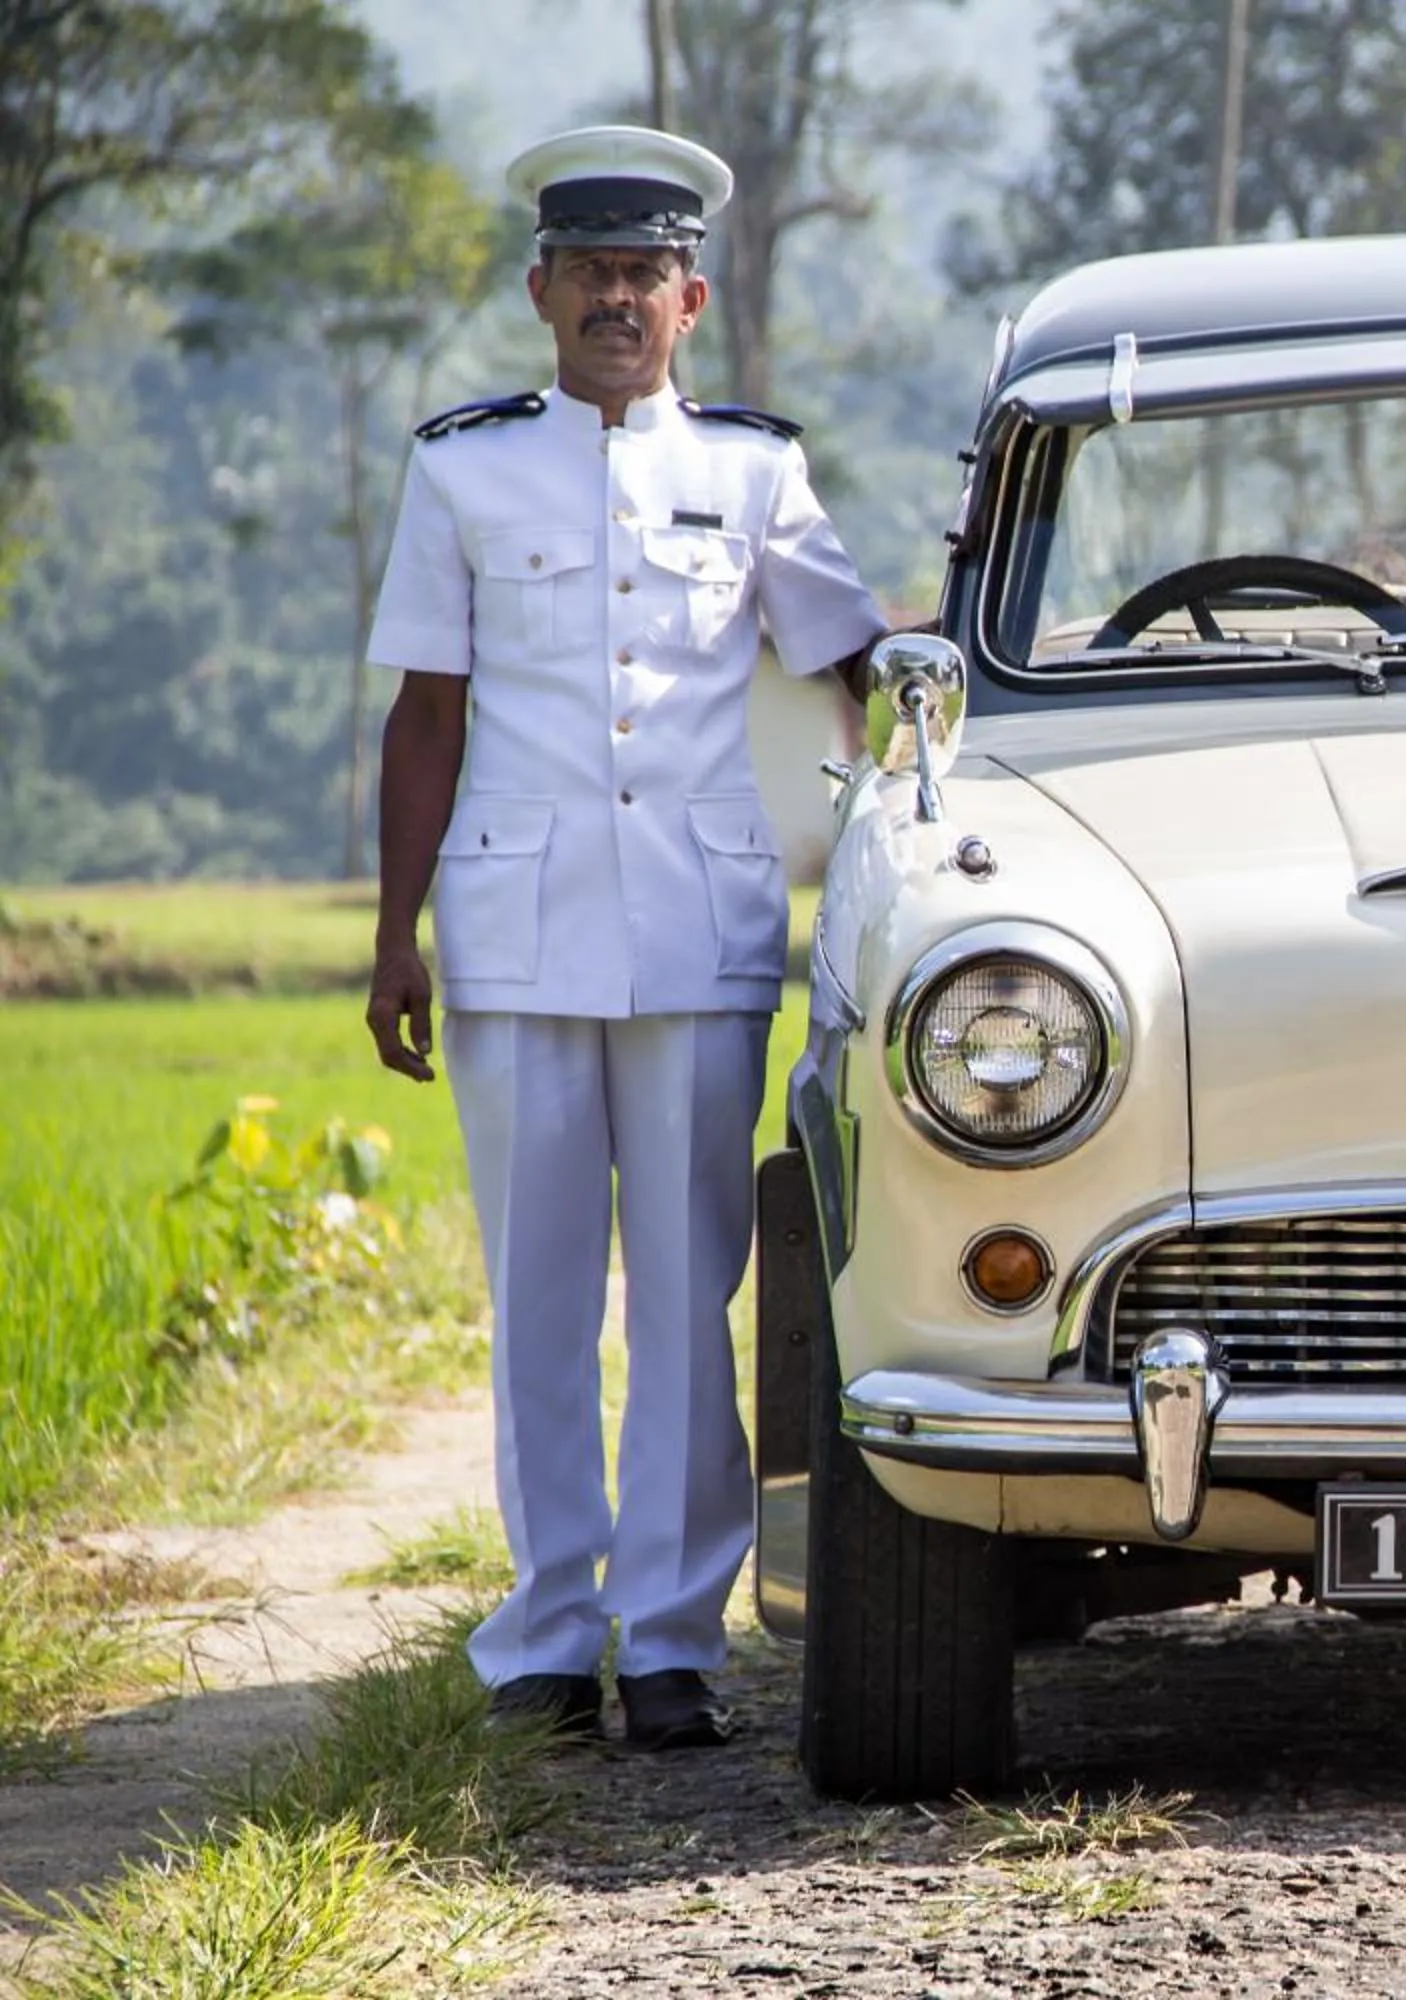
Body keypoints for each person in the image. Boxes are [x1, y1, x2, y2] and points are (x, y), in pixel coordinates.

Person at [362, 125, 890, 1750]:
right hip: (515, 930)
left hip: (696, 925)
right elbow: (426, 715)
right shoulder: (463, 469)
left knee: (684, 1293)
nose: (614, 297)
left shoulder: (756, 475)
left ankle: (667, 1642)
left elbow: (858, 667)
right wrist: (393, 936)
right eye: (588, 270)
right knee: (537, 1298)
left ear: (690, 301)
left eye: (643, 273)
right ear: (539, 291)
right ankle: (544, 1638)